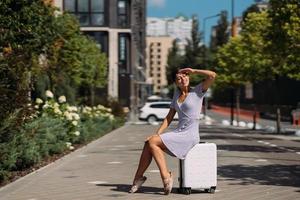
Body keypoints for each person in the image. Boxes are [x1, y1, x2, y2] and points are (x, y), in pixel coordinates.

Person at [129, 68, 217, 195]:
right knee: (150, 142)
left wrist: (193, 71)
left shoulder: (198, 91)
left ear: (189, 77)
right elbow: (169, 117)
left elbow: (212, 75)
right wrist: (157, 133)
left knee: (152, 142)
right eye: (179, 78)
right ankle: (140, 178)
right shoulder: (177, 95)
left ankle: (164, 177)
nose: (183, 79)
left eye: (185, 76)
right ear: (176, 83)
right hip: (179, 132)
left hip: (190, 135)